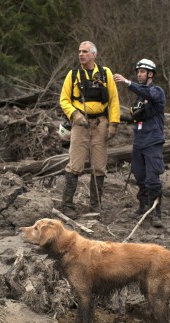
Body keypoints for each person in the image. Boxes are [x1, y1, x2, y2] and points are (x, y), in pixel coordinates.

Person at [60, 41, 120, 217]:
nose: (81, 54)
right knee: (75, 165)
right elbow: (64, 99)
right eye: (79, 51)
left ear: (93, 55)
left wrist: (114, 124)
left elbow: (114, 99)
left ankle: (95, 205)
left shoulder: (105, 73)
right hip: (80, 125)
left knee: (99, 166)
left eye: (85, 51)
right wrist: (75, 115)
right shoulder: (73, 75)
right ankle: (67, 205)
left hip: (100, 124)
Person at [114, 59, 166, 227]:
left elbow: (148, 94)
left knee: (152, 178)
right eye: (138, 72)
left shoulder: (157, 91)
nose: (139, 74)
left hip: (153, 142)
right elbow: (136, 115)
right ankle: (143, 206)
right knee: (140, 176)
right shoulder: (138, 97)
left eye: (143, 72)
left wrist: (128, 82)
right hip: (139, 143)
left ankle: (156, 212)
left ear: (151, 74)